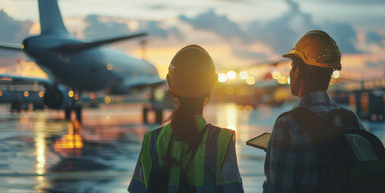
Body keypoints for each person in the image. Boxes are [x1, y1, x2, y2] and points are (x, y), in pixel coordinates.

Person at [128, 44, 244, 193]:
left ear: (170, 84)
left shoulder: (152, 140)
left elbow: (138, 190)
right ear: (212, 83)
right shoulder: (222, 140)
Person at [263, 30, 366, 193]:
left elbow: (278, 188)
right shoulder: (351, 120)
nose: (290, 73)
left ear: (297, 70)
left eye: (292, 66)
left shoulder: (288, 124)